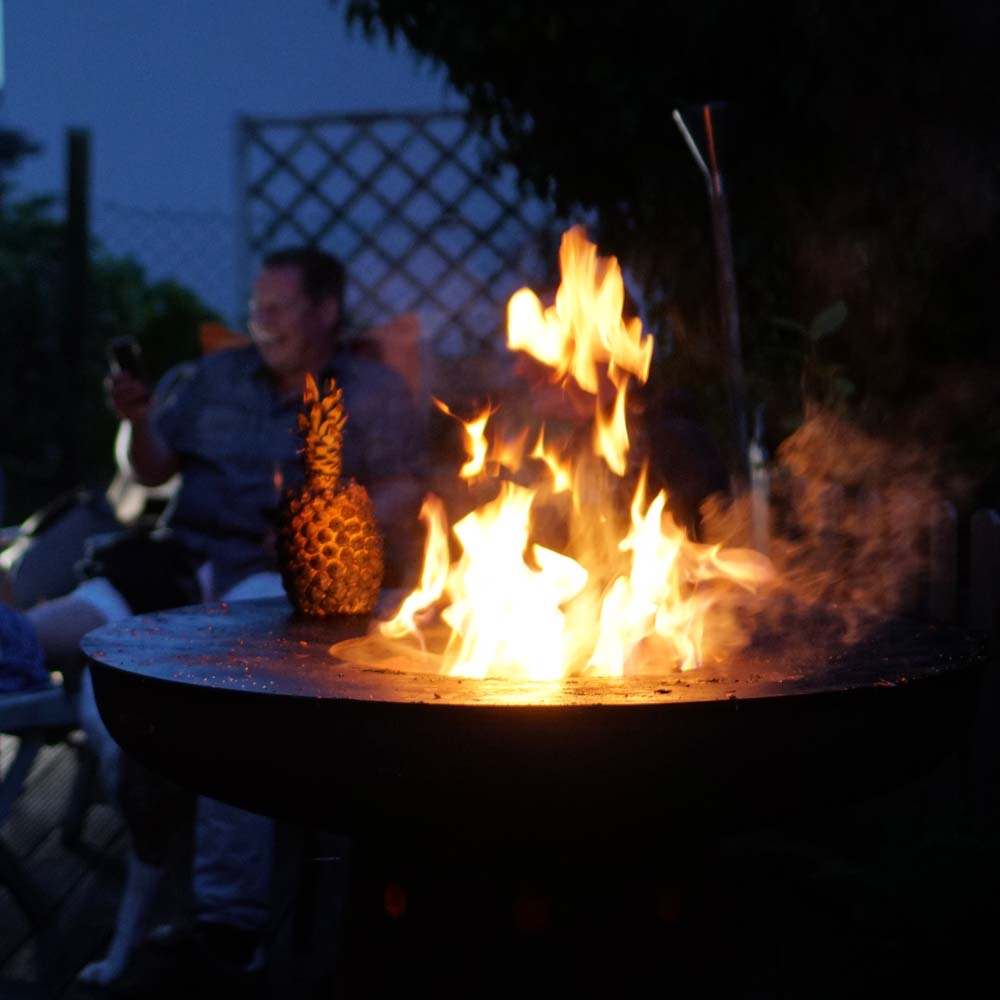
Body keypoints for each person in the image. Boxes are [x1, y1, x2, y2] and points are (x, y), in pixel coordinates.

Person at [22, 245, 427, 988]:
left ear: (324, 312)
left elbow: (404, 491)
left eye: (275, 310)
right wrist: (137, 421)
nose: (258, 322)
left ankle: (225, 921)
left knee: (229, 666)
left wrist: (332, 521)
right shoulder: (214, 378)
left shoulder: (369, 391)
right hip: (184, 563)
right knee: (82, 616)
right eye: (255, 309)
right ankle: (17, 649)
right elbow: (147, 472)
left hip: (281, 585)